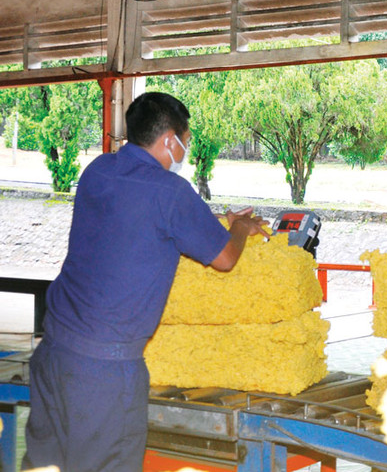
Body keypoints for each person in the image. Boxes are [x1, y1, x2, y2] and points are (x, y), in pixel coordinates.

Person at [23, 92, 269, 472]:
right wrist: (238, 227)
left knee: (45, 465)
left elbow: (132, 223)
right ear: (169, 139)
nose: (185, 150)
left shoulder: (98, 170)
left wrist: (212, 222)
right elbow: (225, 258)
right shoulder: (170, 191)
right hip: (103, 374)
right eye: (185, 142)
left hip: (53, 354)